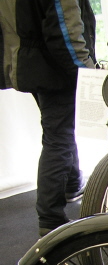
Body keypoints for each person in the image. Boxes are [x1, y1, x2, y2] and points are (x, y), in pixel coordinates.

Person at [0, 0, 96, 236]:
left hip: (28, 63)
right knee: (58, 139)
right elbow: (65, 30)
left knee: (60, 130)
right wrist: (88, 72)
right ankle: (51, 218)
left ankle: (72, 185)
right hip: (54, 67)